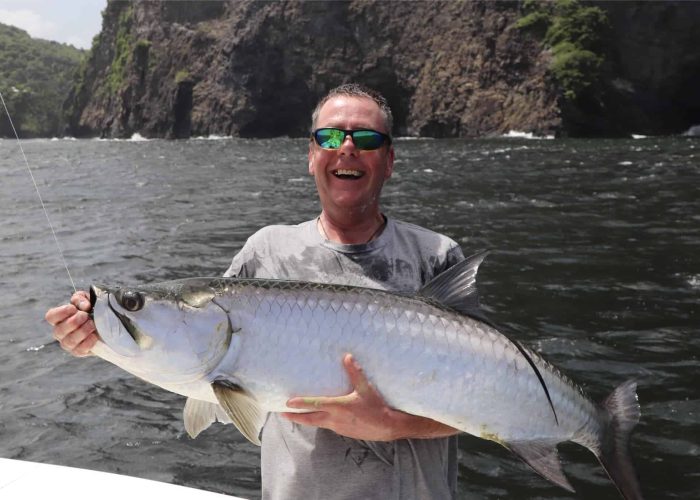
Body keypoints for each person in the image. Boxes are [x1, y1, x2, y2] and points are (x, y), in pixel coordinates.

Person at [46, 83, 466, 499]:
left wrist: (391, 425)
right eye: (331, 136)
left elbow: (487, 400)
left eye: (367, 138)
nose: (348, 148)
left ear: (389, 160)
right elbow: (205, 366)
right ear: (311, 156)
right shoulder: (266, 251)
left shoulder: (436, 257)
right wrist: (94, 336)